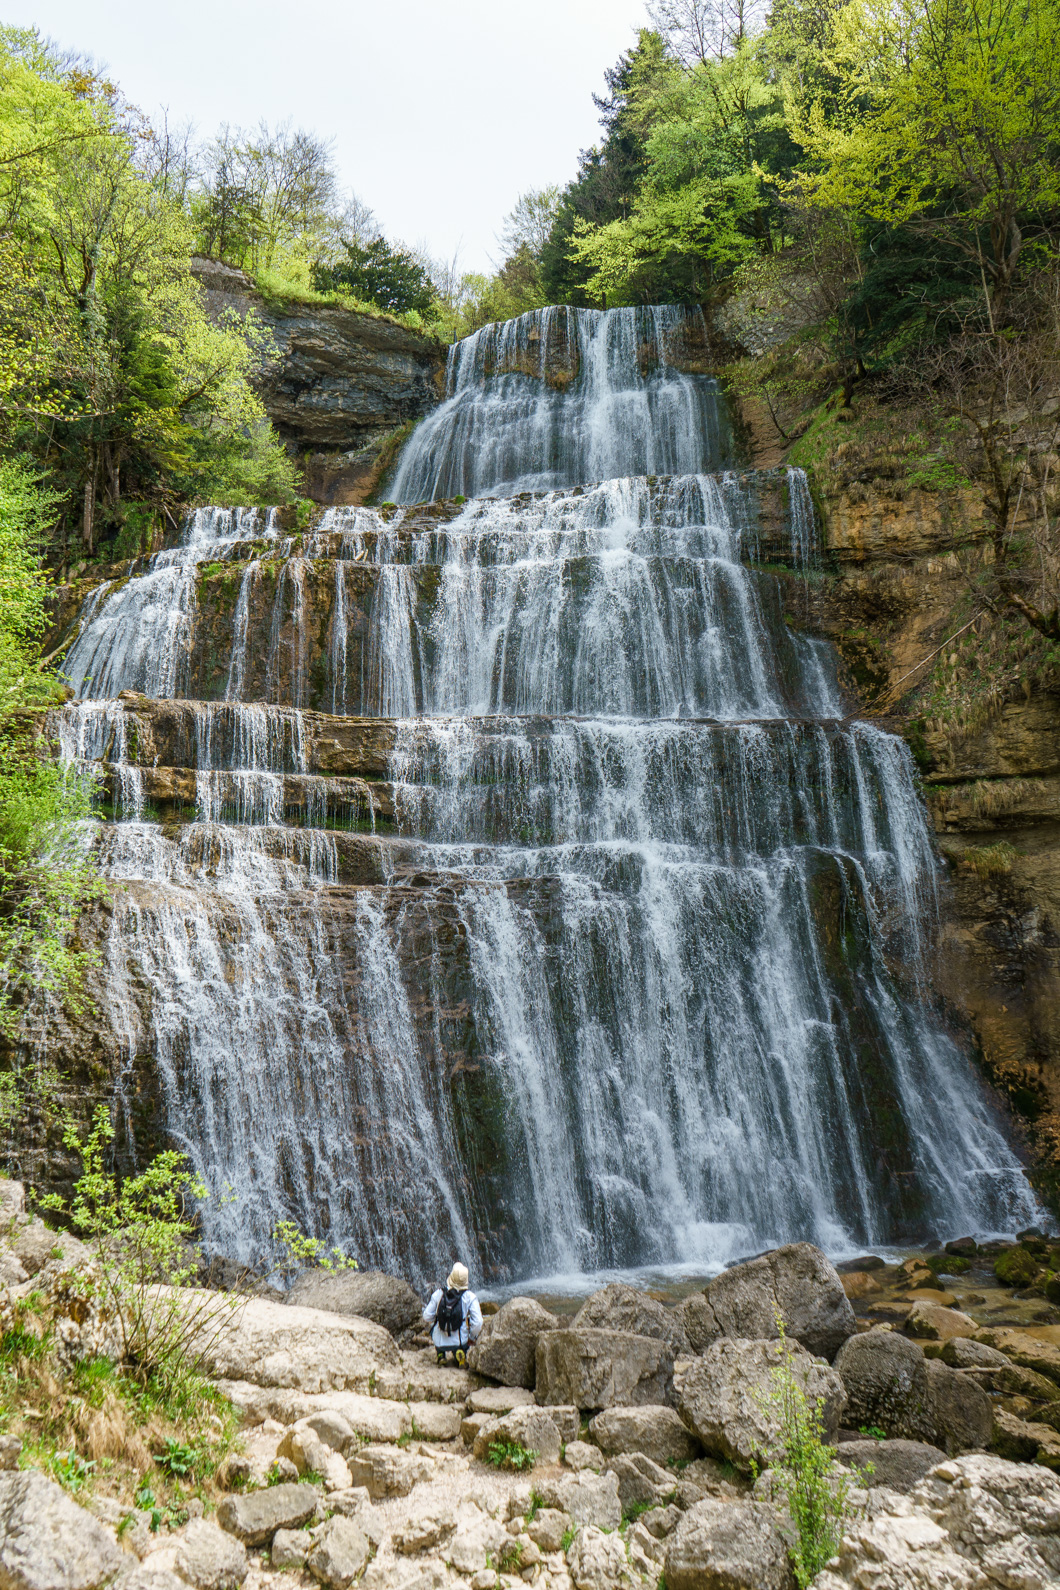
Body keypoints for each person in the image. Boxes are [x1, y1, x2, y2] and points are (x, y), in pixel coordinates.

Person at [423, 1261, 483, 1365]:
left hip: (440, 1341)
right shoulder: (469, 1297)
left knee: (434, 1326)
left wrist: (439, 1318)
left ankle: (441, 1354)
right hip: (460, 1340)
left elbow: (426, 1316)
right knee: (463, 1329)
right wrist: (471, 1337)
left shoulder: (439, 1293)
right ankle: (459, 1354)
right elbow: (478, 1322)